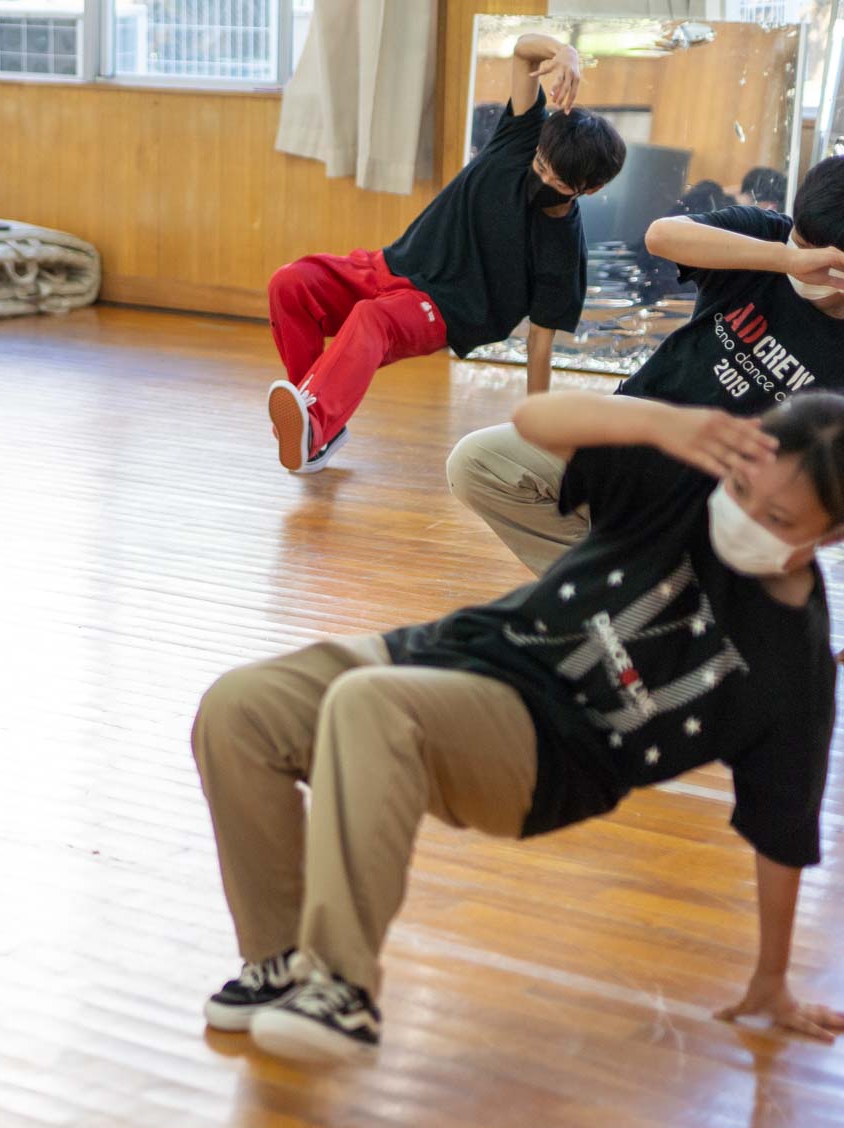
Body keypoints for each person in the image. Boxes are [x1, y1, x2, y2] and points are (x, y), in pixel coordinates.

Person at [193, 389, 844, 1064]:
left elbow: (784, 829)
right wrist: (665, 422)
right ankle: (276, 962)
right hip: (465, 647)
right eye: (740, 489)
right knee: (241, 707)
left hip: (550, 749)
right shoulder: (681, 484)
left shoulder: (793, 669)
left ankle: (340, 989)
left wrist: (772, 981)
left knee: (372, 705)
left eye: (777, 518)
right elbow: (534, 421)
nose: (744, 515)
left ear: (830, 535)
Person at [450, 156, 844, 574]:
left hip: (728, 487)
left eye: (822, 259)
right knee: (477, 462)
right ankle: (607, 589)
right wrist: (784, 259)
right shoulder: (767, 237)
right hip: (639, 423)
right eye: (800, 243)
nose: (806, 261)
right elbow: (662, 235)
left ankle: (640, 588)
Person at [265, 33, 623, 474]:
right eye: (541, 167)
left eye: (559, 182)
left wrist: (538, 427)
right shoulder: (520, 138)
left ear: (591, 189)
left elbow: (540, 342)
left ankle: (313, 424)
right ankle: (314, 422)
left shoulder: (562, 251)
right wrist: (564, 52)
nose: (542, 180)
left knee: (371, 319)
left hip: (442, 307)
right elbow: (522, 52)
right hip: (391, 264)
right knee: (291, 283)